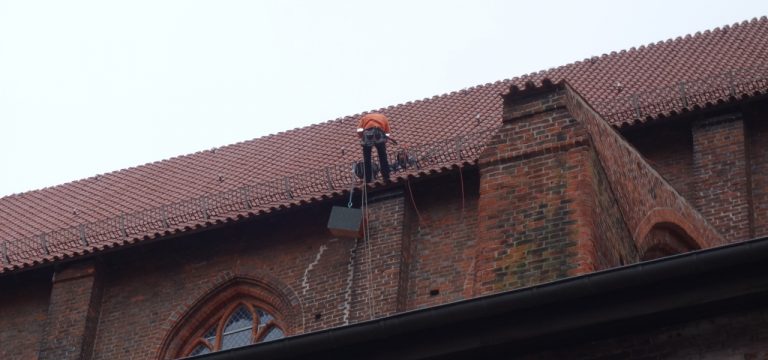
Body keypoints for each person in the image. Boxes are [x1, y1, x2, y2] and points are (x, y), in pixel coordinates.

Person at [357, 113, 391, 183]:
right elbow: (387, 132)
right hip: (379, 132)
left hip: (367, 133)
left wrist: (362, 137)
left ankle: (367, 178)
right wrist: (384, 141)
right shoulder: (383, 117)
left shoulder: (364, 118)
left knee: (367, 157)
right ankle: (386, 176)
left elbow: (359, 130)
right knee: (382, 156)